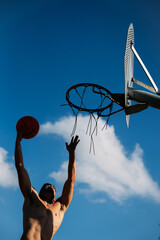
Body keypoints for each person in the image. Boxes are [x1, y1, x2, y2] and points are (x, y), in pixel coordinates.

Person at [15, 128, 80, 240]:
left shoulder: (60, 206)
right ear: (40, 192)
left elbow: (71, 180)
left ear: (55, 196)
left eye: (53, 187)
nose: (51, 186)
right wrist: (18, 142)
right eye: (47, 185)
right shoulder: (32, 197)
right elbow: (20, 168)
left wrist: (72, 154)